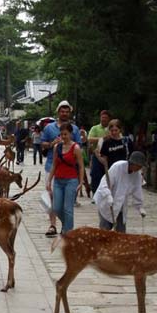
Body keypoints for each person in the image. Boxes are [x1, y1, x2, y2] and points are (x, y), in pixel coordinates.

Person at [41, 100, 81, 237]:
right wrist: (52, 143)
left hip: (69, 171)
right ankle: (53, 224)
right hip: (52, 165)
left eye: (67, 111)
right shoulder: (49, 128)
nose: (64, 113)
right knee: (52, 199)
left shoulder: (74, 129)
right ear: (58, 112)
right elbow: (42, 144)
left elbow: (79, 147)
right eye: (62, 111)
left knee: (66, 204)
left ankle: (67, 228)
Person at [46, 123, 85, 234]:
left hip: (71, 180)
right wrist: (49, 180)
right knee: (57, 208)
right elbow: (54, 165)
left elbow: (81, 166)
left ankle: (68, 232)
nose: (63, 136)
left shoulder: (75, 148)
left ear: (71, 134)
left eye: (65, 134)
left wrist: (81, 182)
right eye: (61, 134)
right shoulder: (57, 147)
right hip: (58, 180)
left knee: (68, 209)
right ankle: (67, 225)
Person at [94, 151, 147, 233]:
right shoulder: (117, 167)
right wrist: (108, 195)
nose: (140, 168)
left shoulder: (137, 175)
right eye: (139, 166)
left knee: (121, 234)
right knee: (104, 232)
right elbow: (104, 183)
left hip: (121, 205)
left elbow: (137, 191)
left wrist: (140, 207)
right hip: (107, 203)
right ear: (133, 163)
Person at [89, 110, 110, 194]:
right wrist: (102, 138)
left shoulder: (111, 128)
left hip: (109, 155)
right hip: (97, 154)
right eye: (102, 117)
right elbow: (90, 139)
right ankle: (95, 193)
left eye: (105, 118)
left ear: (109, 119)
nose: (103, 119)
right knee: (95, 174)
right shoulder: (95, 128)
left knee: (108, 175)